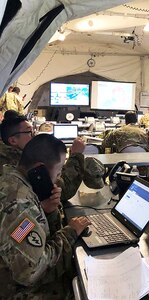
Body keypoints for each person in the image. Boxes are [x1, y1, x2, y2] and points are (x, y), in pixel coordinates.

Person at [0, 134, 91, 299]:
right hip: (18, 291)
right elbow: (31, 272)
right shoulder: (19, 205)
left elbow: (22, 236)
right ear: (39, 169)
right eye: (59, 171)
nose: (58, 178)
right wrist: (70, 233)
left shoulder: (12, 179)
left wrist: (46, 212)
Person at [0, 115, 87, 201]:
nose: (34, 136)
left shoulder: (7, 156)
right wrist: (76, 154)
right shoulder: (18, 162)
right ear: (13, 140)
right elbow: (64, 190)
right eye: (30, 132)